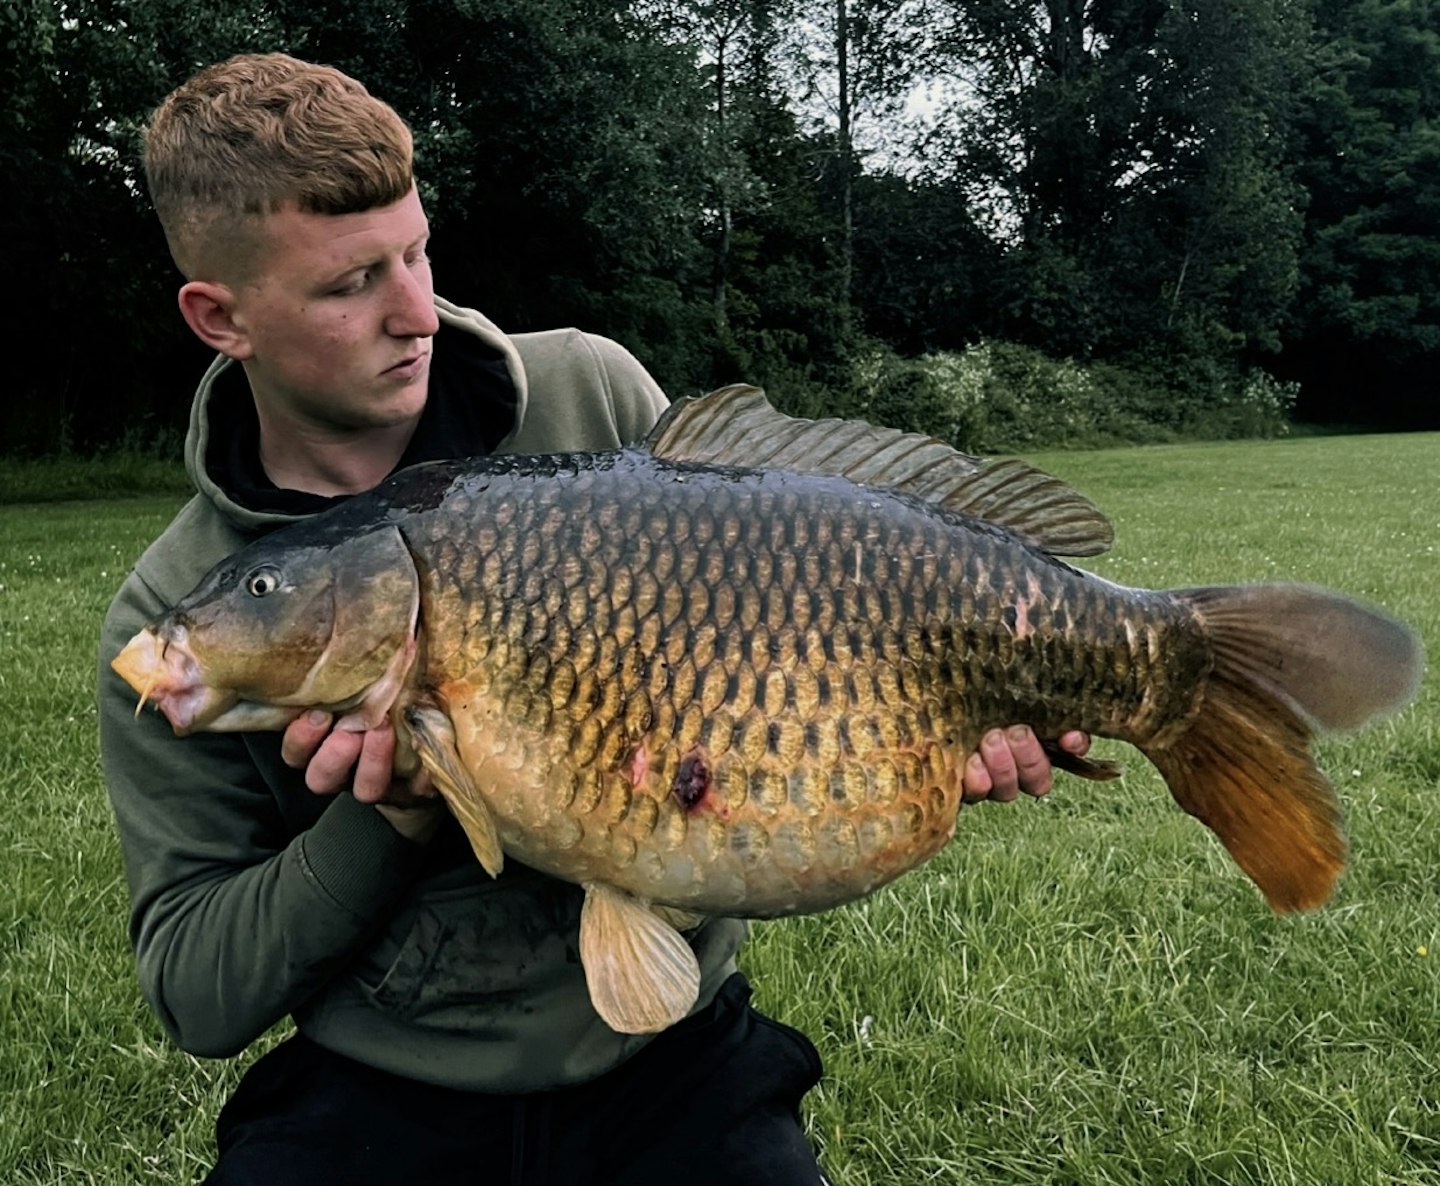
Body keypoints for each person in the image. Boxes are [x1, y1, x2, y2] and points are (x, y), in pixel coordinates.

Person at [98, 52, 1090, 1185]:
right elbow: (194, 990)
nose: (417, 312)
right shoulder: (179, 609)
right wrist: (396, 811)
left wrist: (922, 715)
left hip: (674, 1058)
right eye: (349, 285)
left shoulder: (593, 396)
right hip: (385, 1085)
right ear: (219, 315)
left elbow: (780, 618)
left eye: (418, 252)